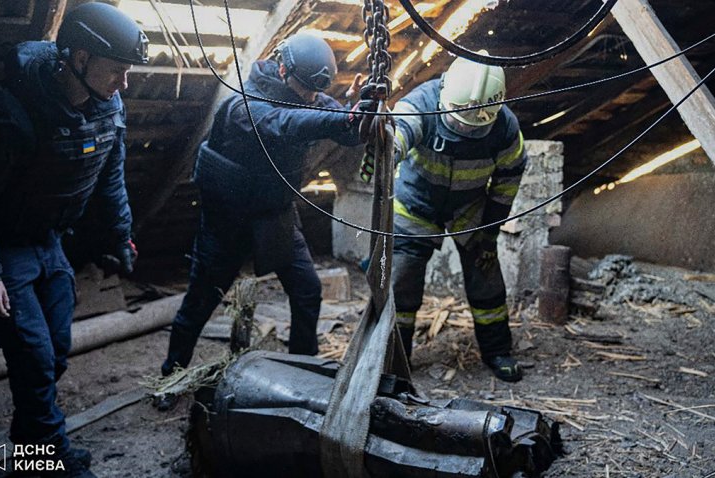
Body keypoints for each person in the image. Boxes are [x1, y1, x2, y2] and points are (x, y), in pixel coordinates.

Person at [0, 3, 148, 476]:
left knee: (54, 351)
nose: (125, 84)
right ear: (78, 59)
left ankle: (32, 448)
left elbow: (110, 176)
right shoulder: (6, 113)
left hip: (50, 241)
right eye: (116, 71)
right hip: (4, 248)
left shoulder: (107, 105)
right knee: (34, 355)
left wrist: (121, 234)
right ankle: (47, 458)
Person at [157, 32, 363, 408]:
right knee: (200, 304)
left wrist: (357, 116)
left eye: (316, 93)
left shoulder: (309, 97)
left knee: (307, 291)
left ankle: (303, 368)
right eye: (305, 90)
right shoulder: (244, 105)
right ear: (283, 71)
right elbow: (286, 124)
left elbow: (332, 120)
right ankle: (171, 375)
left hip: (274, 215)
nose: (310, 98)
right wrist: (339, 118)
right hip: (227, 222)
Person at [366, 55, 527, 382]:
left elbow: (510, 175)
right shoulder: (422, 103)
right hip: (417, 204)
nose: (465, 129)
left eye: (473, 127)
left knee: (486, 276)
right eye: (458, 123)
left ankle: (498, 350)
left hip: (469, 209)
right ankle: (395, 360)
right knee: (402, 284)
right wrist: (385, 150)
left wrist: (490, 229)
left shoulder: (506, 129)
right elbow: (400, 131)